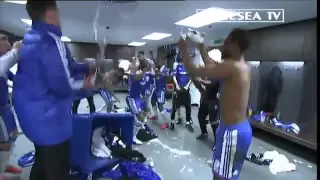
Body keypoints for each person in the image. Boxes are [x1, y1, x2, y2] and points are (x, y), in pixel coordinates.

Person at [13, 1, 97, 179]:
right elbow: (64, 86)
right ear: (51, 14)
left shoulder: (30, 37)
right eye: (57, 12)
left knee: (42, 162)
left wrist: (86, 67)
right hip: (50, 123)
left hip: (32, 119)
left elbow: (65, 65)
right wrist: (88, 87)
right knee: (56, 169)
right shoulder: (51, 41)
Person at [179, 28, 252, 180]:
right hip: (230, 130)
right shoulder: (239, 65)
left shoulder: (234, 67)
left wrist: (183, 47)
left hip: (233, 133)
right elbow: (213, 67)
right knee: (219, 174)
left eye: (226, 42)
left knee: (221, 177)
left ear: (235, 45)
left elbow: (192, 68)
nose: (223, 45)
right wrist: (200, 46)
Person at [0, 34, 22, 178]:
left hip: (5, 107)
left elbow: (14, 78)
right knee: (3, 142)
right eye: (5, 43)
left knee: (12, 136)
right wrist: (15, 51)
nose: (8, 46)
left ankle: (5, 165)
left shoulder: (4, 63)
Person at [170, 53, 193, 132]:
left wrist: (187, 85)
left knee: (188, 107)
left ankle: (188, 122)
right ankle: (172, 123)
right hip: (178, 90)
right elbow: (174, 76)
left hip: (186, 90)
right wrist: (176, 85)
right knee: (175, 107)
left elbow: (191, 77)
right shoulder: (177, 67)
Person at [150, 58, 170, 129]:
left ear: (163, 61)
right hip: (155, 89)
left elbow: (167, 77)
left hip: (161, 90)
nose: (157, 62)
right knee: (152, 102)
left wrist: (158, 73)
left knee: (160, 106)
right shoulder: (157, 69)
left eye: (158, 60)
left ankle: (166, 122)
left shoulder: (165, 69)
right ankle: (155, 115)